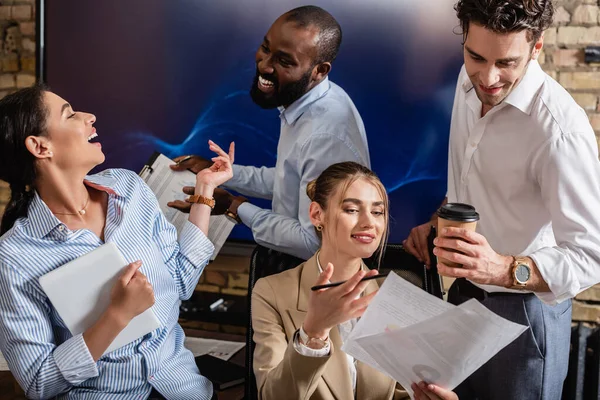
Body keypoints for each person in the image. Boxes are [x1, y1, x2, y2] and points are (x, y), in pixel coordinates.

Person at [404, 1, 600, 399]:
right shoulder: (467, 79)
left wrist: (502, 268)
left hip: (527, 319)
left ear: (536, 47)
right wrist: (439, 220)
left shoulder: (560, 131)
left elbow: (591, 255)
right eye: (476, 56)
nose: (489, 77)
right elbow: (476, 182)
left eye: (506, 63)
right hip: (462, 298)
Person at [0, 84, 234, 400]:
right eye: (69, 114)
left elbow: (180, 282)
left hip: (184, 388)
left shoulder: (130, 187)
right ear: (40, 147)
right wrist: (116, 317)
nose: (89, 117)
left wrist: (204, 190)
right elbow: (39, 382)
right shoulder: (15, 256)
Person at [169, 5, 370, 261]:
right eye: (266, 48)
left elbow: (313, 243)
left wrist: (234, 206)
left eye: (284, 61)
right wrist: (221, 173)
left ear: (319, 71)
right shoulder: (307, 101)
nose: (265, 66)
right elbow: (292, 180)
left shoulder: (325, 137)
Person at [251, 161, 457, 400]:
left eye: (377, 212)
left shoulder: (394, 296)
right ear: (317, 214)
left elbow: (401, 392)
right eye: (351, 209)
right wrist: (313, 332)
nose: (369, 222)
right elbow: (273, 396)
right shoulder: (271, 292)